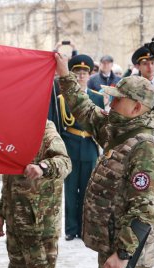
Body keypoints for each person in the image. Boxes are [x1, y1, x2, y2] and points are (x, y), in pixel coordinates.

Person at [56, 53, 154, 268]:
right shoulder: (120, 129)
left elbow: (144, 210)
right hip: (112, 248)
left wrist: (123, 254)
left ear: (137, 107)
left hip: (129, 257)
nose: (111, 102)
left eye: (118, 99)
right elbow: (85, 110)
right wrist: (64, 76)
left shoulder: (145, 147)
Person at [0, 120, 72, 268]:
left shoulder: (44, 129)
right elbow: (8, 180)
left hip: (40, 225)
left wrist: (43, 167)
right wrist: (1, 213)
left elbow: (65, 162)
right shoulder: (12, 131)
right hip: (15, 223)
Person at [48, 54, 104, 241]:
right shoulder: (62, 99)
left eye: (84, 73)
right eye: (77, 73)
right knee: (71, 189)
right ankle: (71, 229)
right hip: (70, 143)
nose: (80, 77)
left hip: (89, 144)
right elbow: (57, 123)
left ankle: (84, 228)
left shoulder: (97, 97)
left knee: (88, 188)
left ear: (90, 75)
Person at [131, 45, 154, 243]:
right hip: (137, 139)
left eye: (153, 62)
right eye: (146, 63)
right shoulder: (132, 84)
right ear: (139, 65)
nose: (150, 66)